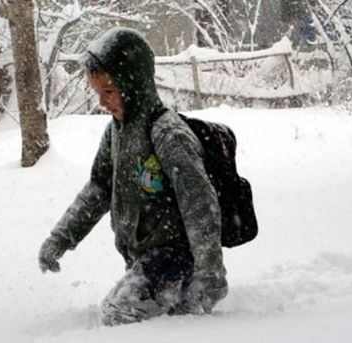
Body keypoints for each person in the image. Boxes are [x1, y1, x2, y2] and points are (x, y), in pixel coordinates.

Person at [38, 27, 227, 326]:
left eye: (109, 91)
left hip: (177, 258)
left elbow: (200, 205)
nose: (102, 102)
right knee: (143, 315)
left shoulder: (167, 133)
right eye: (98, 93)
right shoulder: (116, 132)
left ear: (133, 84)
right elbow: (99, 189)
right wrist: (61, 238)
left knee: (120, 312)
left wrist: (210, 271)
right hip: (144, 258)